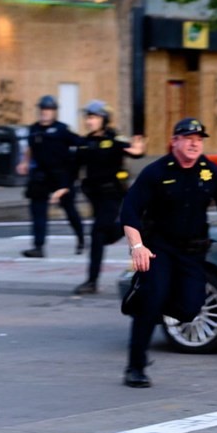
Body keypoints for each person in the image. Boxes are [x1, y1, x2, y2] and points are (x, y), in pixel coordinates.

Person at [119, 118, 217, 388]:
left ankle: (149, 300)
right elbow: (130, 210)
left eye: (199, 139)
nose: (194, 143)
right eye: (188, 137)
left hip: (192, 251)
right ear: (175, 141)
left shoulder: (209, 171)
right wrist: (137, 246)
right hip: (160, 248)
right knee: (151, 300)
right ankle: (136, 366)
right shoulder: (157, 171)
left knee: (191, 308)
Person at [71, 101, 145, 295]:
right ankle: (129, 226)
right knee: (102, 235)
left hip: (111, 194)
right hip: (94, 196)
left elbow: (134, 151)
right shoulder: (84, 143)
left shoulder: (114, 139)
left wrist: (138, 150)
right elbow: (75, 168)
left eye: (93, 117)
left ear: (103, 119)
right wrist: (64, 187)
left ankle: (91, 281)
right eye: (88, 117)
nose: (89, 121)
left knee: (97, 234)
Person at [16, 95, 86, 258]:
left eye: (48, 109)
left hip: (61, 176)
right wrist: (24, 162)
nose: (45, 112)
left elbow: (80, 144)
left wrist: (75, 169)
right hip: (41, 175)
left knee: (70, 209)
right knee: (38, 210)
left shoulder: (62, 129)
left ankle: (81, 238)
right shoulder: (34, 129)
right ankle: (38, 247)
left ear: (54, 112)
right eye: (43, 109)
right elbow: (30, 148)